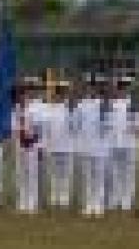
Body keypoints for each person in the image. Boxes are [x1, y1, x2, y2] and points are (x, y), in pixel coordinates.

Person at [73, 74, 111, 218]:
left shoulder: (105, 105)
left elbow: (109, 126)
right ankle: (89, 204)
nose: (92, 90)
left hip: (100, 147)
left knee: (99, 177)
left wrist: (105, 114)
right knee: (87, 177)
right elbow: (75, 126)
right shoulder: (81, 105)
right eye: (90, 87)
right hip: (85, 146)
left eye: (95, 87)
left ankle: (99, 205)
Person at [106, 74, 139, 214]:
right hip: (112, 143)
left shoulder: (135, 105)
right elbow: (106, 124)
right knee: (113, 172)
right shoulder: (109, 104)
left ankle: (127, 200)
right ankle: (114, 199)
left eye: (125, 87)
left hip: (130, 143)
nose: (122, 90)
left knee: (129, 173)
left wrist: (133, 120)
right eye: (120, 87)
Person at [10, 77, 46, 214]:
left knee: (32, 174)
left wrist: (39, 145)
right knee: (21, 173)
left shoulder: (37, 108)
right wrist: (18, 139)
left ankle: (32, 203)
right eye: (19, 94)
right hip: (20, 144)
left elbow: (40, 128)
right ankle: (22, 201)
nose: (21, 96)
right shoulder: (16, 109)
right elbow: (14, 127)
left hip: (33, 144)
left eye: (24, 93)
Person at [41, 79, 78, 210]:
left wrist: (72, 110)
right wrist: (44, 145)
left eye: (64, 93)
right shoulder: (49, 108)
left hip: (67, 146)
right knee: (53, 174)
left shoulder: (71, 109)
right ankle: (54, 196)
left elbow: (75, 127)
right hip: (52, 145)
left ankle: (64, 198)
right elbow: (45, 128)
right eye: (59, 93)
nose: (61, 96)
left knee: (66, 174)